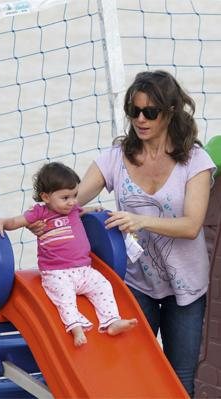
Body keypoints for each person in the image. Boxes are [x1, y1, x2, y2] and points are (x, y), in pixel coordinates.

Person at [50, 70, 215, 395]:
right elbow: (72, 200)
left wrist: (140, 221)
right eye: (133, 111)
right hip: (136, 283)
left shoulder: (196, 160)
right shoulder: (116, 157)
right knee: (126, 371)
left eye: (149, 112)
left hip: (187, 289)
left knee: (179, 381)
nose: (140, 119)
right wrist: (72, 211)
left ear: (169, 112)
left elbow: (192, 225)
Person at [0, 162, 138, 346]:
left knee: (103, 286)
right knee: (65, 299)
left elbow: (82, 211)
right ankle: (75, 328)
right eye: (65, 197)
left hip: (84, 269)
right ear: (46, 197)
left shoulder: (73, 209)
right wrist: (1, 221)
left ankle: (112, 321)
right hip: (56, 272)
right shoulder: (39, 213)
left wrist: (93, 209)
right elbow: (16, 221)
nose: (72, 201)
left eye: (74, 195)